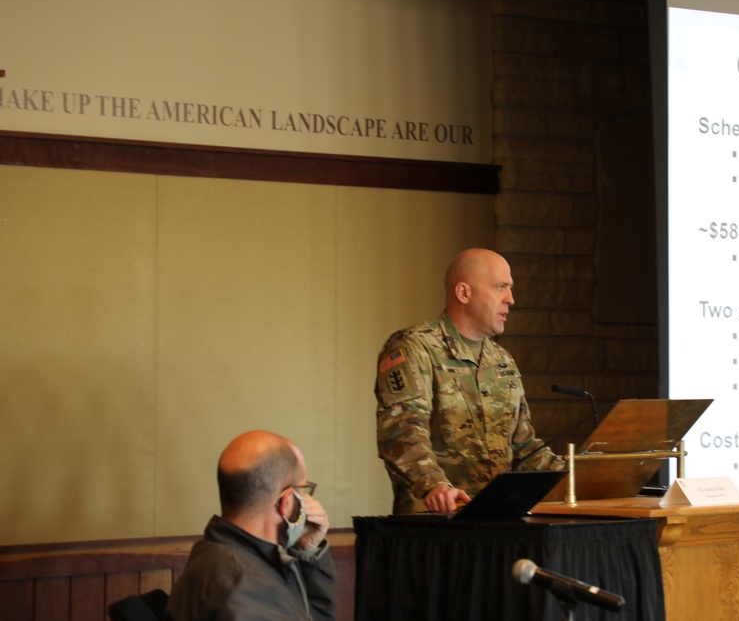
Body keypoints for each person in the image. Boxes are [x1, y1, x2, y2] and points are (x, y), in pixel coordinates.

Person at [374, 247, 564, 515]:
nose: (511, 299)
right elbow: (401, 434)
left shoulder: (502, 360)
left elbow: (524, 448)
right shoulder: (414, 348)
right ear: (464, 293)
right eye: (501, 287)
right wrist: (434, 486)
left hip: (500, 520)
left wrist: (577, 476)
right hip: (439, 524)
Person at [166, 430, 336, 621]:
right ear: (287, 501)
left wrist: (307, 552)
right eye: (303, 490)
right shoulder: (249, 588)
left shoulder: (215, 556)